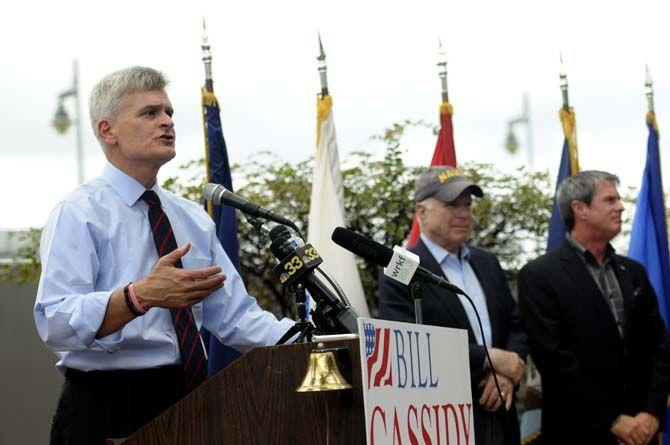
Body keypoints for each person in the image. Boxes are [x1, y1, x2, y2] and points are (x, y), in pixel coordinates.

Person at [34, 66, 296, 444]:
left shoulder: (192, 219)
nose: (167, 122)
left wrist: (314, 341)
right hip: (105, 407)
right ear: (108, 131)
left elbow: (237, 317)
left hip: (188, 398)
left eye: (169, 112)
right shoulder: (78, 212)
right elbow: (55, 321)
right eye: (150, 113)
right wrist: (138, 297)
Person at [378, 166, 529, 445]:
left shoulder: (487, 263)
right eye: (451, 205)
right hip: (442, 421)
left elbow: (517, 325)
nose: (463, 213)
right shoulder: (400, 270)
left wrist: (505, 374)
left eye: (467, 205)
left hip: (501, 416)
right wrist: (487, 358)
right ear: (421, 212)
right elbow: (408, 345)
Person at [518, 170, 670, 445]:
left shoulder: (633, 271)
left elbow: (659, 345)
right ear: (580, 209)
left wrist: (651, 411)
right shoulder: (539, 275)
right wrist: (612, 419)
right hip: (578, 432)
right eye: (610, 200)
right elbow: (555, 359)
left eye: (619, 199)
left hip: (643, 431)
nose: (621, 207)